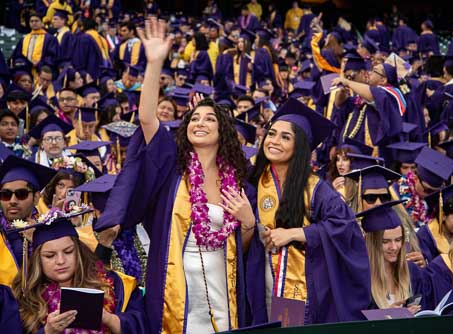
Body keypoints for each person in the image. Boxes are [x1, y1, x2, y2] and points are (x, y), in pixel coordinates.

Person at [95, 17, 261, 333]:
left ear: (222, 130)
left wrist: (248, 221)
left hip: (224, 294)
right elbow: (146, 119)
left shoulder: (238, 183)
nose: (200, 122)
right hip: (177, 291)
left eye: (210, 118)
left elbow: (243, 246)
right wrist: (154, 62)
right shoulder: (174, 170)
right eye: (194, 117)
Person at [251, 98, 371, 323]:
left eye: (285, 137)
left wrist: (295, 233)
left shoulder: (316, 189)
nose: (274, 141)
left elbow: (345, 228)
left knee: (289, 328)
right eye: (272, 133)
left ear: (300, 147)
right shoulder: (253, 180)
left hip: (296, 284)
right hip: (258, 280)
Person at [11, 210, 147, 333]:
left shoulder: (116, 284)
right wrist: (47, 331)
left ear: (79, 252)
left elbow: (143, 325)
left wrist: (109, 319)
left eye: (68, 252)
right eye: (50, 255)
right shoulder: (26, 296)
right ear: (38, 260)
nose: (60, 261)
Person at [357, 200, 423, 313]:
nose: (394, 247)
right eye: (385, 241)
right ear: (371, 243)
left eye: (398, 240)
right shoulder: (360, 279)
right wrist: (387, 316)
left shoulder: (413, 271)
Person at [0, 156, 56, 287]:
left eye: (21, 194)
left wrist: (38, 242)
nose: (12, 201)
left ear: (36, 198)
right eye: (5, 194)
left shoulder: (50, 229)